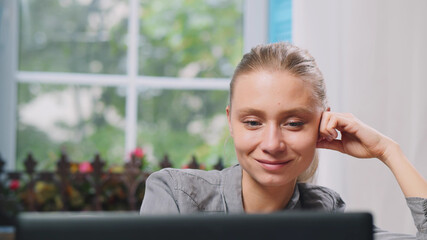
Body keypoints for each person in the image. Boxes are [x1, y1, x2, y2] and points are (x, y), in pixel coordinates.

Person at [140, 42, 427, 239]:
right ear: (230, 121)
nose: (272, 143)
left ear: (321, 123)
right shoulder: (178, 195)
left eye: (294, 123)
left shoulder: (324, 214)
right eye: (253, 122)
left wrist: (388, 151)